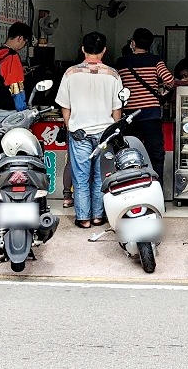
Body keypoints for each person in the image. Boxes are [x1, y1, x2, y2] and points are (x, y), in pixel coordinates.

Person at [55, 31, 123, 229]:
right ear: (104, 50)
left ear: (83, 49)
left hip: (79, 133)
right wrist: (113, 130)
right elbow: (116, 109)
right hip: (104, 133)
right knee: (101, 177)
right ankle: (98, 216)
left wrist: (70, 126)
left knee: (81, 177)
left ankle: (83, 218)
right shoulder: (113, 75)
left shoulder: (70, 74)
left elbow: (64, 106)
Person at [116, 27, 176, 182]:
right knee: (156, 155)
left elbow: (116, 88)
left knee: (130, 156)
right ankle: (157, 189)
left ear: (133, 43)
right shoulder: (155, 61)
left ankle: (133, 189)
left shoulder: (121, 62)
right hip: (151, 115)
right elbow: (170, 82)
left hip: (130, 116)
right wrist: (160, 90)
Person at [0, 22, 33, 112]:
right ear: (20, 38)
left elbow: (1, 75)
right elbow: (16, 88)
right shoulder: (12, 56)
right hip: (9, 110)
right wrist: (23, 110)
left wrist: (20, 70)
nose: (24, 46)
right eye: (25, 42)